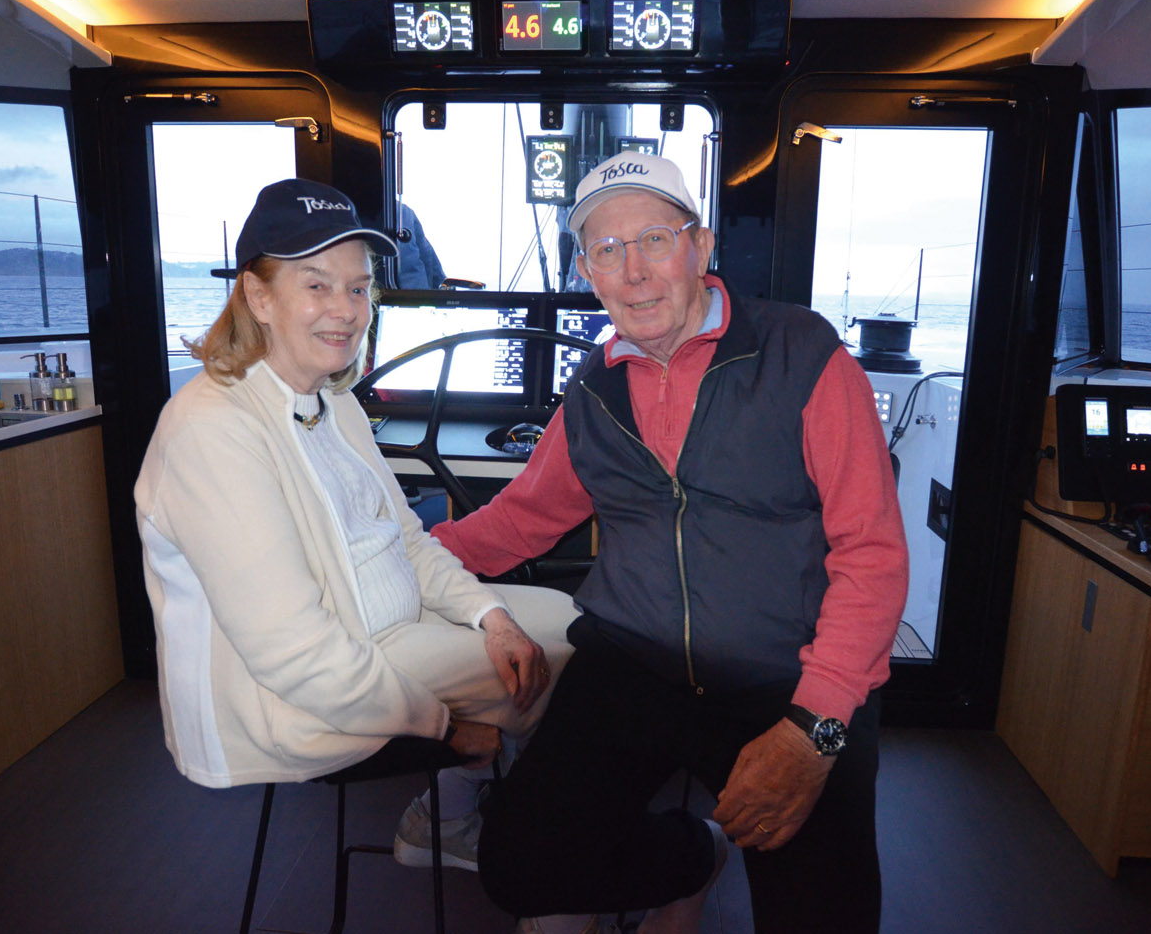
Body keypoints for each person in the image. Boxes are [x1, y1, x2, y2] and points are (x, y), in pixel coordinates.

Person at [430, 152, 908, 934]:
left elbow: (873, 556)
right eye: (607, 250)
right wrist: (398, 558)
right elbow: (519, 519)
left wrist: (814, 732)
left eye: (655, 239)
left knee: (825, 920)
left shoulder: (803, 355)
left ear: (702, 246)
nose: (635, 271)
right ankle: (697, 856)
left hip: (788, 678)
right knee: (519, 864)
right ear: (587, 272)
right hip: (635, 665)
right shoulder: (593, 390)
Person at [134, 178, 577, 873]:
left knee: (570, 622)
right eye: (316, 286)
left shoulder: (333, 401)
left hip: (386, 628)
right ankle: (536, 862)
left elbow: (406, 541)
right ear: (258, 297)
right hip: (295, 695)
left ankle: (461, 811)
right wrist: (446, 730)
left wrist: (490, 616)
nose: (345, 310)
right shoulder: (212, 429)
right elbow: (295, 654)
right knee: (579, 669)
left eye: (359, 288)